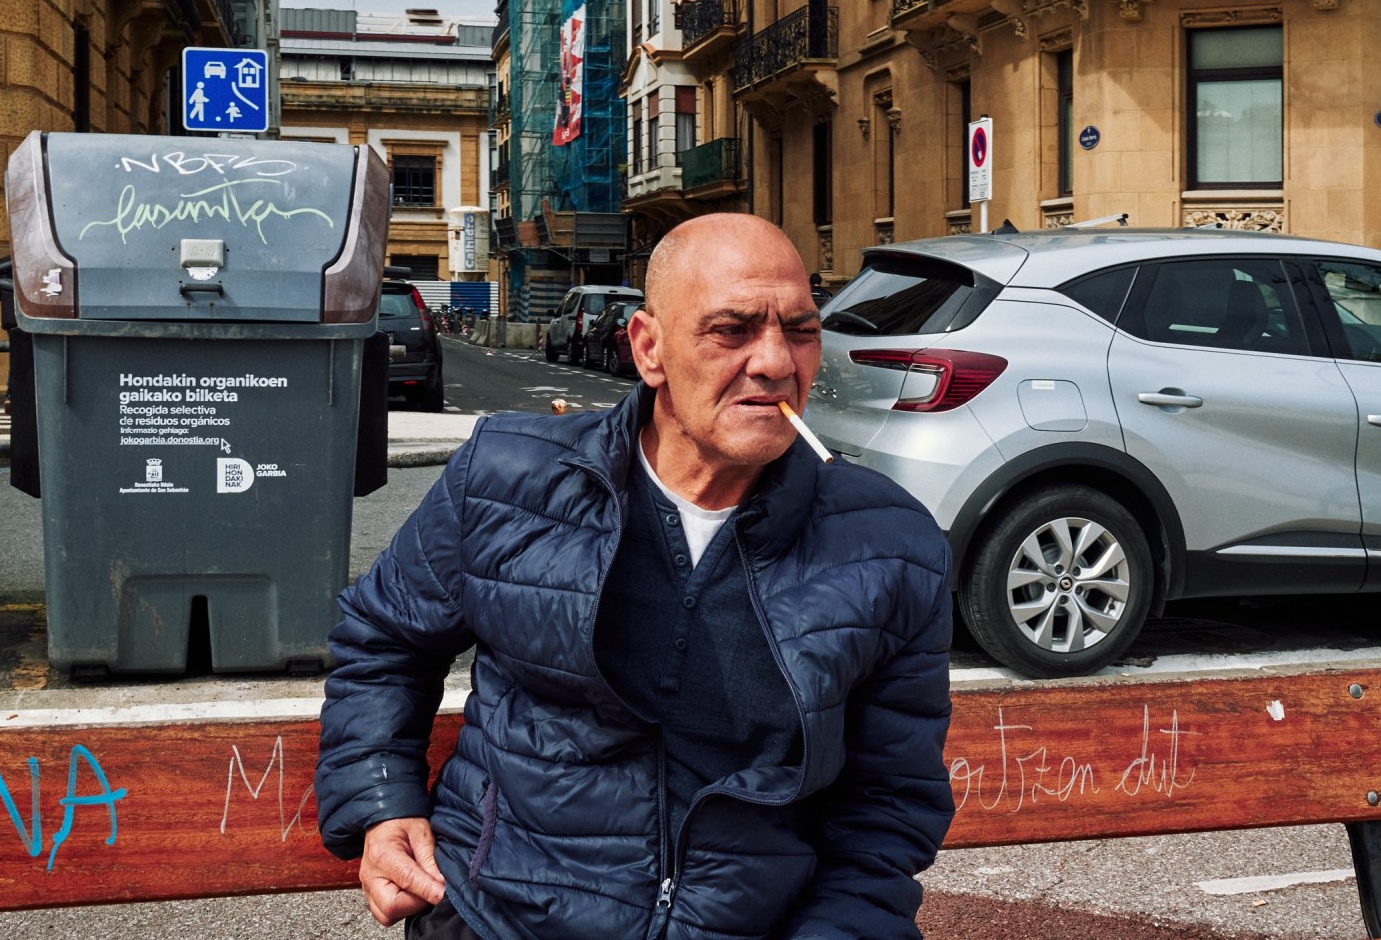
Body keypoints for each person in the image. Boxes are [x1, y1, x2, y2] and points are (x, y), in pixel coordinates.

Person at [317, 213, 954, 940]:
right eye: (732, 330)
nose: (777, 360)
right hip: (499, 917)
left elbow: (886, 805)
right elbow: (384, 638)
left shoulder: (887, 545)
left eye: (801, 330)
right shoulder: (508, 476)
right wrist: (380, 802)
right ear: (649, 348)